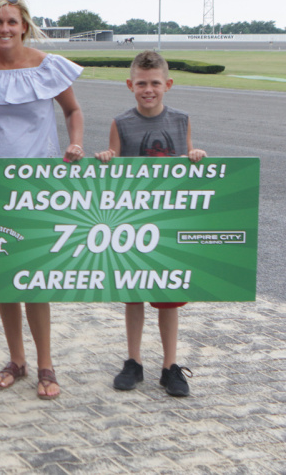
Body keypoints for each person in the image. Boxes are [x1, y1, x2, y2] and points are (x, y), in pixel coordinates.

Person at [0, 0, 83, 400]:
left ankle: (46, 363)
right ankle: (17, 360)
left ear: (24, 26)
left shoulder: (46, 66)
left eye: (11, 22)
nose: (4, 30)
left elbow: (72, 111)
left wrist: (75, 144)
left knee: (36, 277)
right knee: (4, 275)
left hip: (41, 183)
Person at [94, 50, 205, 397]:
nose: (148, 89)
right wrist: (107, 156)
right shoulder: (121, 123)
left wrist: (195, 155)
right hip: (133, 221)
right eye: (141, 83)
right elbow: (113, 165)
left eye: (155, 83)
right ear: (130, 85)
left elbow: (186, 160)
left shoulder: (181, 120)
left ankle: (170, 366)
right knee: (133, 294)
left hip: (167, 222)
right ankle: (133, 361)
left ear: (167, 84)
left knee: (169, 296)